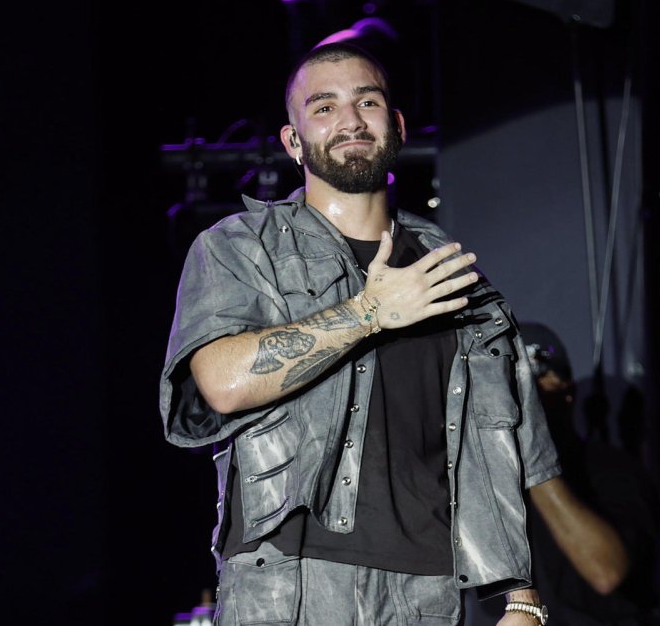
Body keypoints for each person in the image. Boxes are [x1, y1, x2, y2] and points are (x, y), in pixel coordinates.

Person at [158, 41, 564, 625]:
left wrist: (522, 598)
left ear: (395, 125)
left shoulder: (454, 276)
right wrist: (369, 311)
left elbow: (498, 449)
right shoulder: (243, 248)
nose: (349, 120)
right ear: (292, 141)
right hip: (288, 589)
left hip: (426, 597)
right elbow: (221, 382)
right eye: (323, 108)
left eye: (367, 102)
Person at [465, 323, 660, 626]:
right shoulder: (483, 476)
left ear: (567, 393)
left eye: (533, 386)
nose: (520, 402)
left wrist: (530, 451)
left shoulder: (613, 469)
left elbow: (606, 573)